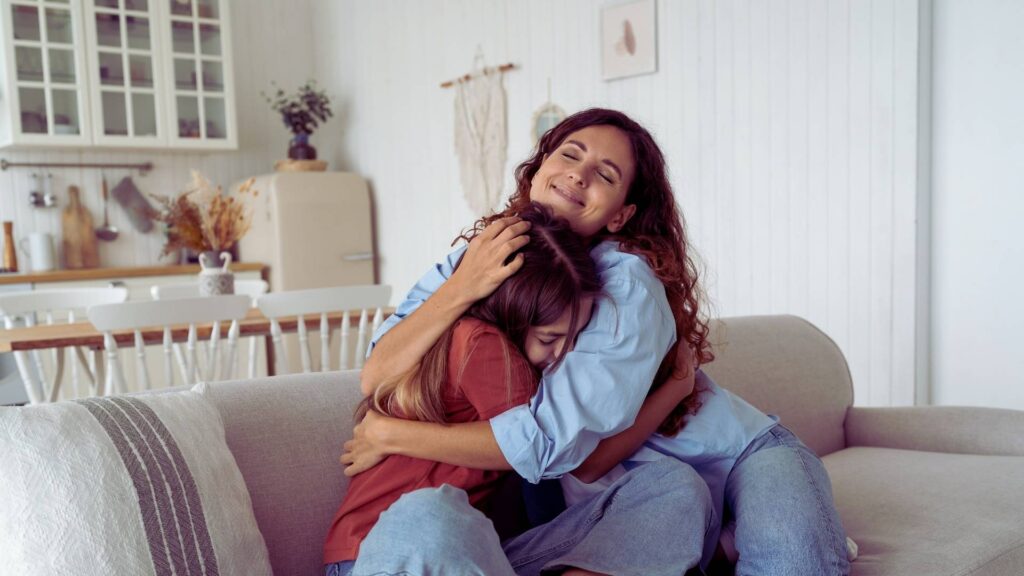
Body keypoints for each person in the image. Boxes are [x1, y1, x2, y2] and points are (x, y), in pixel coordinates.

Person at [346, 108, 850, 575]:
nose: (580, 174)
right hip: (633, 497)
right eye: (569, 153)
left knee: (795, 559)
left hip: (736, 452)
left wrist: (389, 434)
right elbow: (378, 373)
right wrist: (462, 287)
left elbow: (554, 446)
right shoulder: (481, 256)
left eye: (606, 175)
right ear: (538, 167)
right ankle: (717, 546)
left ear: (619, 215)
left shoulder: (624, 279)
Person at [325, 203, 711, 576]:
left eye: (575, 338)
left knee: (670, 484)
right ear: (515, 316)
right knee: (432, 510)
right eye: (550, 338)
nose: (564, 353)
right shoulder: (483, 345)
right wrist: (673, 390)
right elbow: (543, 458)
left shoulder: (513, 357)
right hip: (384, 554)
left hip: (479, 555)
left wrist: (391, 434)